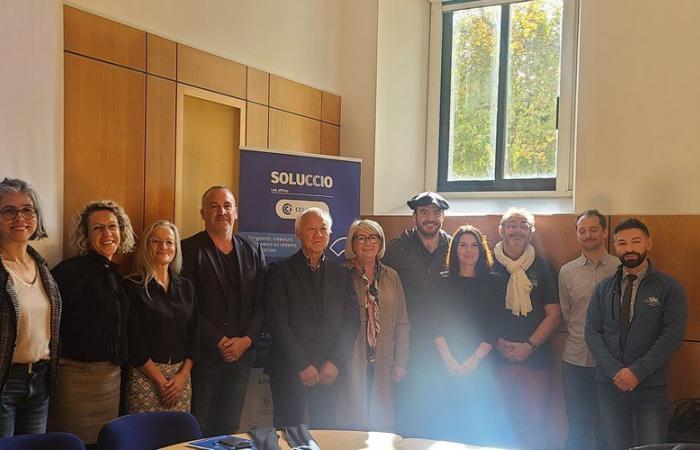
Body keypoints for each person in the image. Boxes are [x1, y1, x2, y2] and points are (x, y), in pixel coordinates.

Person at [586, 218, 686, 450]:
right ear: (615, 247)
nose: (629, 248)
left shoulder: (669, 287)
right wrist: (616, 372)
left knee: (652, 446)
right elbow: (592, 332)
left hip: (650, 385)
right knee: (613, 444)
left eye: (636, 241)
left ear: (648, 243)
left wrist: (636, 372)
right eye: (622, 243)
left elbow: (672, 335)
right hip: (609, 384)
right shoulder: (603, 288)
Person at [49, 199, 136, 446]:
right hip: (77, 380)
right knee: (76, 444)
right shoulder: (68, 272)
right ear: (86, 236)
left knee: (104, 444)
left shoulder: (116, 274)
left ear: (121, 231)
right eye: (98, 228)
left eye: (112, 226)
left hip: (111, 378)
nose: (107, 233)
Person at [181, 186, 266, 436]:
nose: (222, 211)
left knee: (229, 428)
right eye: (214, 206)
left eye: (227, 206)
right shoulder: (188, 250)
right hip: (205, 356)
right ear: (202, 213)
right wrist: (218, 340)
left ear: (236, 212)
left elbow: (261, 304)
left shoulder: (252, 249)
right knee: (201, 428)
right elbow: (187, 305)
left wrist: (246, 340)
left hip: (241, 357)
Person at [265, 207, 358, 428]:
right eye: (311, 229)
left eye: (323, 229)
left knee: (325, 435)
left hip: (329, 371)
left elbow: (352, 320)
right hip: (290, 369)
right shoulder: (279, 270)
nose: (318, 235)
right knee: (288, 436)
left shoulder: (341, 273)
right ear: (298, 234)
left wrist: (335, 362)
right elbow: (276, 321)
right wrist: (302, 364)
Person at [382, 191, 450, 436]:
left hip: (443, 342)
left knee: (441, 408)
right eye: (424, 212)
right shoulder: (397, 249)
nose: (430, 218)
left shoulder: (454, 247)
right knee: (407, 407)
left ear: (443, 217)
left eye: (436, 213)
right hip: (407, 341)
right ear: (414, 216)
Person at [492, 207, 560, 449]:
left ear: (531, 233)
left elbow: (553, 314)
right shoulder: (485, 263)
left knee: (531, 427)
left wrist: (528, 347)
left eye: (524, 226)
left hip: (535, 359)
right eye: (512, 224)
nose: (517, 230)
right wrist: (497, 343)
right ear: (501, 230)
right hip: (494, 359)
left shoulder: (543, 267)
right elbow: (476, 313)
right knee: (495, 426)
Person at [431, 225, 505, 445]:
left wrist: (473, 361)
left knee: (479, 426)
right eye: (463, 245)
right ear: (454, 250)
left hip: (482, 363)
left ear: (481, 251)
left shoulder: (495, 282)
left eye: (474, 245)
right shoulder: (441, 280)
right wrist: (450, 360)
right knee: (447, 427)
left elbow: (495, 325)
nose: (468, 250)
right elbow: (434, 322)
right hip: (446, 363)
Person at [0, 178, 61, 437]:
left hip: (39, 380)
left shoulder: (42, 267)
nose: (20, 218)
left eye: (27, 209)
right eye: (8, 211)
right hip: (4, 383)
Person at [336, 219, 409, 431]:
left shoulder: (391, 276)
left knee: (380, 425)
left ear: (380, 242)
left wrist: (401, 362)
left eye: (373, 237)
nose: (368, 243)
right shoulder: (341, 274)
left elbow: (402, 322)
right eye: (361, 238)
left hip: (384, 360)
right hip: (351, 360)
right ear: (353, 243)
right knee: (351, 423)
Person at [559, 210, 619, 450]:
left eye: (593, 229)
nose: (587, 234)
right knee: (577, 426)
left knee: (607, 428)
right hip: (574, 359)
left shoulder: (619, 267)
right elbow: (567, 313)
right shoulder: (567, 271)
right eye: (582, 230)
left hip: (610, 362)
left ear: (605, 232)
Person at [125, 220, 199, 413]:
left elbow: (195, 334)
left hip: (181, 378)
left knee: (177, 440)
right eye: (156, 241)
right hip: (146, 377)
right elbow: (133, 341)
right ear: (146, 246)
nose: (163, 247)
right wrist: (160, 380)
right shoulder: (132, 286)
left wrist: (182, 376)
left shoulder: (187, 287)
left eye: (169, 242)